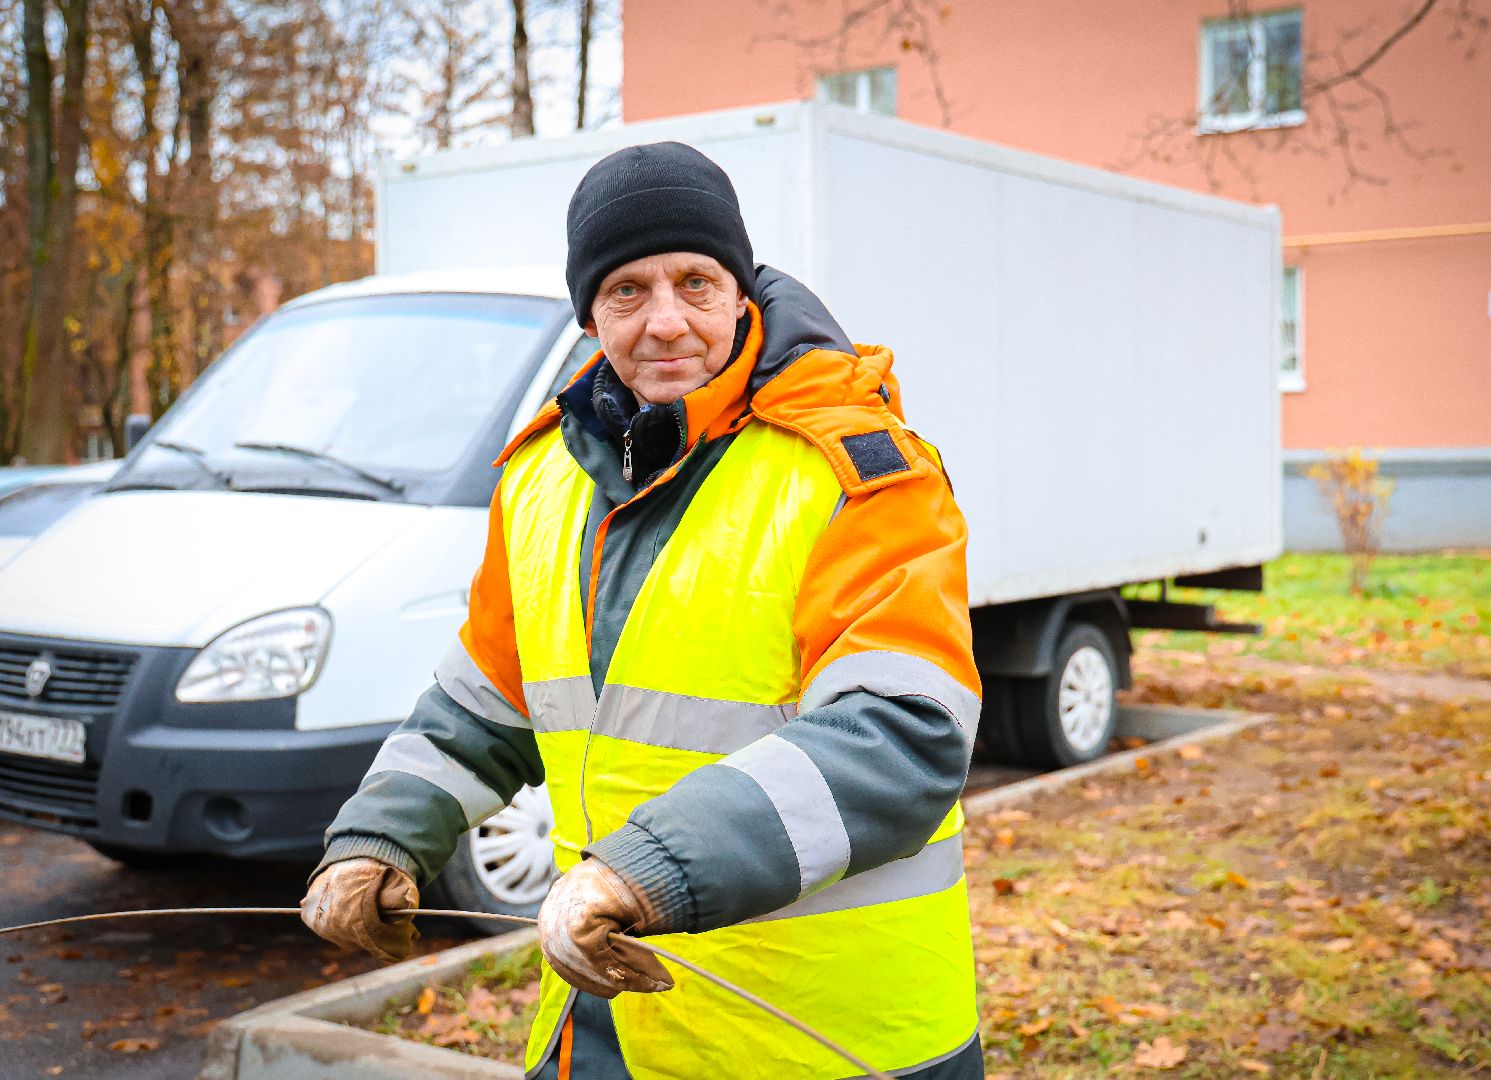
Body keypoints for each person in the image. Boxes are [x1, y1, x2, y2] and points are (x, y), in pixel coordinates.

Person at [301, 141, 983, 1079]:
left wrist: (643, 868)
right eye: (627, 291)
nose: (666, 323)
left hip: (826, 1039)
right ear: (589, 312)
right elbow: (482, 703)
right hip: (606, 1032)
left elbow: (904, 735)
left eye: (695, 283)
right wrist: (379, 834)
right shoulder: (540, 478)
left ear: (742, 291)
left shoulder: (859, 472)